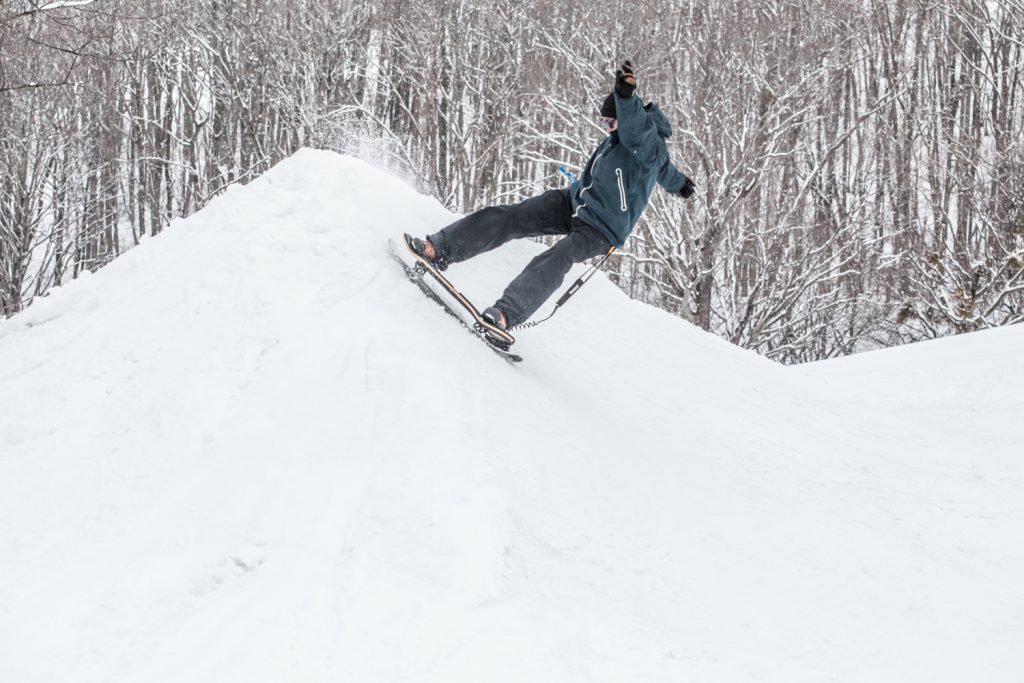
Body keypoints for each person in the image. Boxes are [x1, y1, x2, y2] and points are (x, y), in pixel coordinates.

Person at [408, 60, 696, 332]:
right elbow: (666, 172)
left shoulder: (646, 143)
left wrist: (625, 97)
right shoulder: (628, 142)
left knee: (558, 256)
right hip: (574, 203)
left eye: (610, 122)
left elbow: (638, 131)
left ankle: (506, 314)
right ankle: (440, 248)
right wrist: (680, 183)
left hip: (603, 227)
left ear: (625, 118)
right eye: (603, 122)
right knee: (513, 216)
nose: (606, 128)